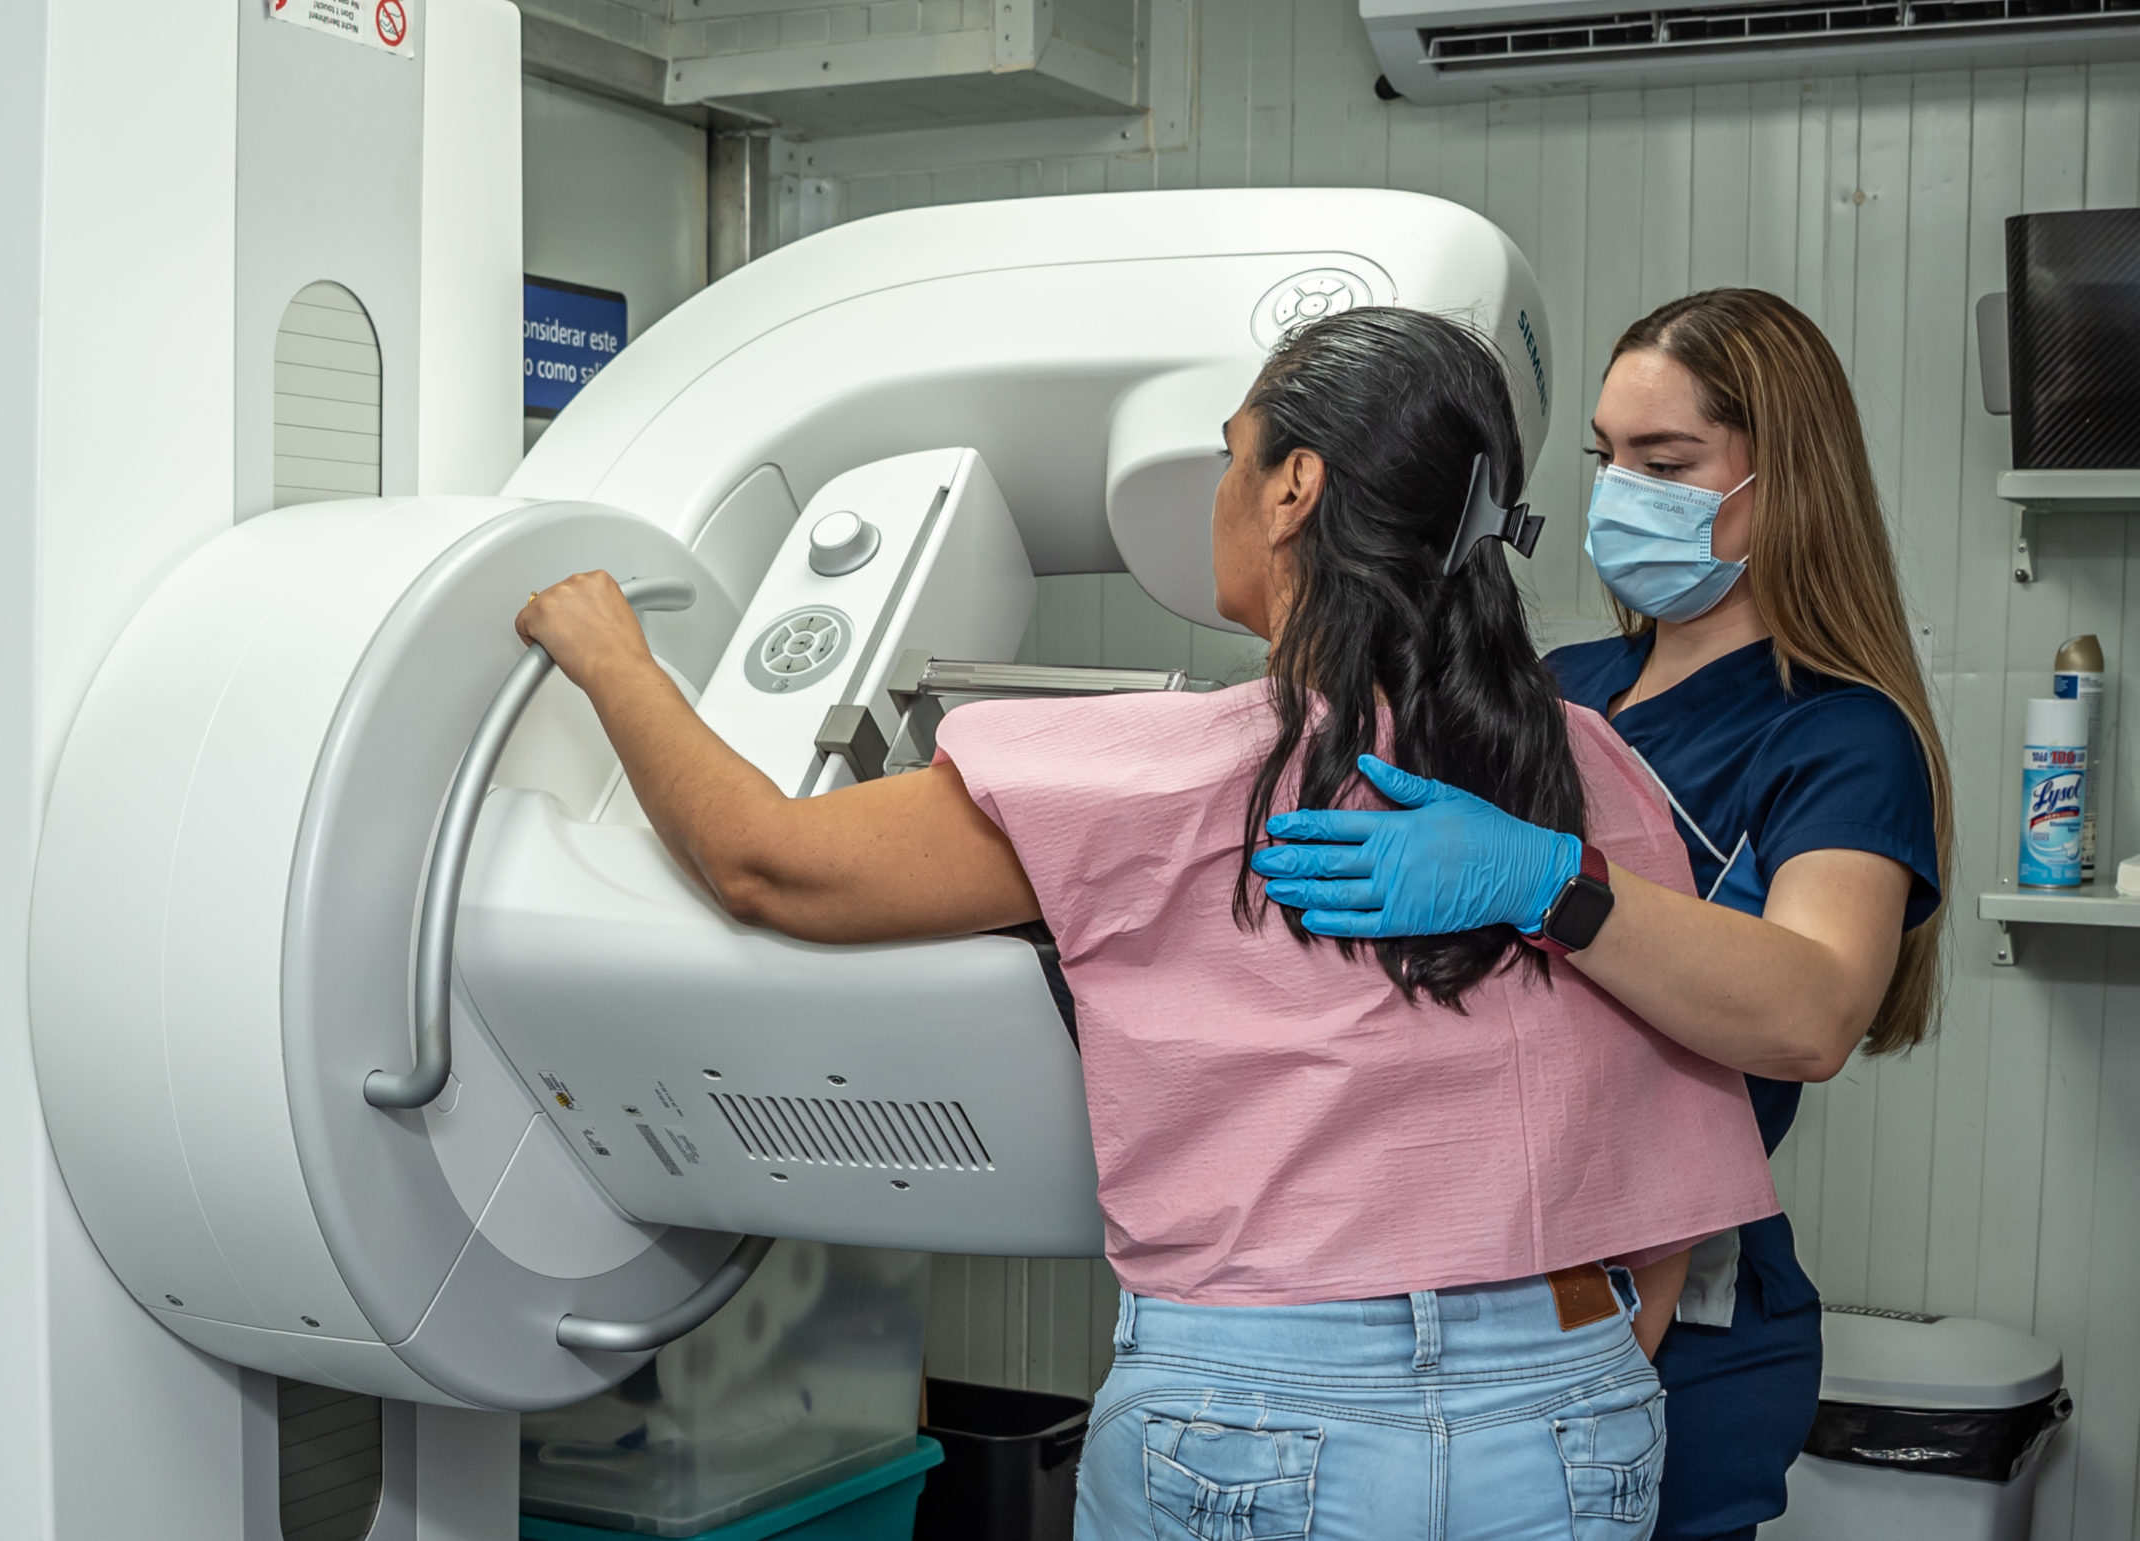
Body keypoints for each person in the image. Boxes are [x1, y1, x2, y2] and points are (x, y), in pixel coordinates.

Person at [516, 306, 1780, 1539]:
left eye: (1233, 456)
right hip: (1569, 1406)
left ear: (1294, 490)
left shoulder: (1162, 773)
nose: (1219, 491)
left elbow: (767, 865)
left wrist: (612, 655)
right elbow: (1671, 1133)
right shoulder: (1586, 768)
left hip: (1257, 1412)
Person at [1256, 288, 1948, 1541]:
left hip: (1681, 1329)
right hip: (1478, 1283)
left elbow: (1809, 1012)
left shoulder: (1839, 735)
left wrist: (1551, 884)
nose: (1622, 491)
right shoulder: (1564, 688)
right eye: (1606, 457)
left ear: (1784, 481)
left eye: (1665, 463)